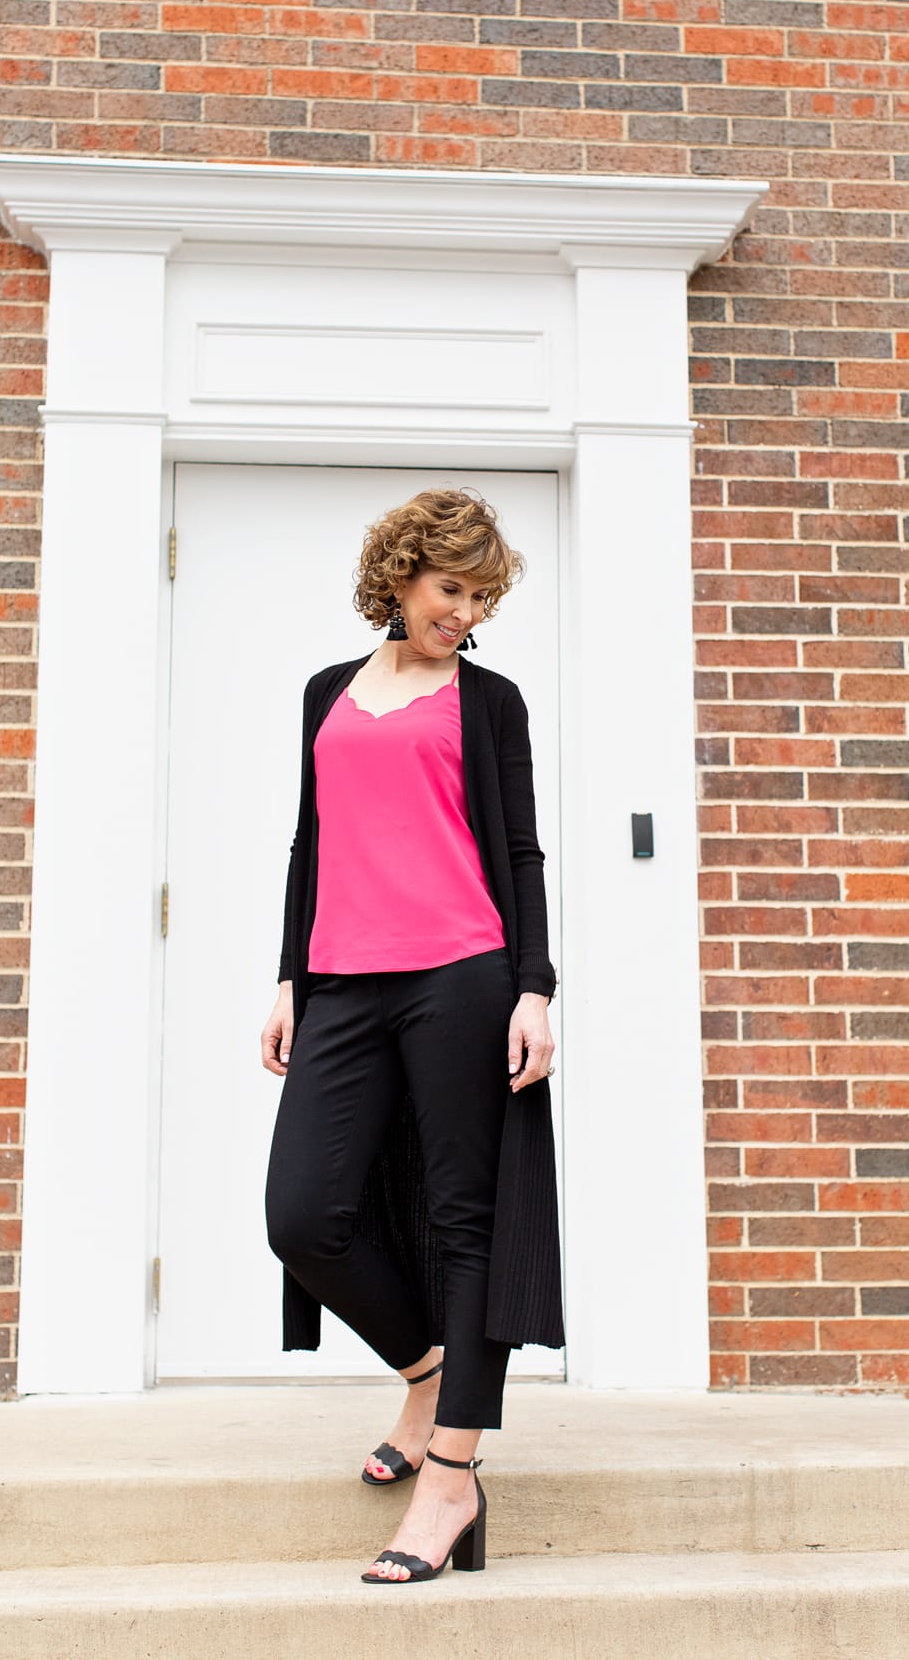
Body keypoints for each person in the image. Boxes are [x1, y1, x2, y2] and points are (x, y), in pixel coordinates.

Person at [261, 485, 564, 1586]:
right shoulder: (326, 694)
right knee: (304, 1215)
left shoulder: (490, 703)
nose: (466, 612)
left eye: (483, 595)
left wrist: (534, 987)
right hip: (343, 980)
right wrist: (291, 973)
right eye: (451, 588)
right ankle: (429, 1368)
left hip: (461, 976)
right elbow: (312, 843)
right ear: (401, 576)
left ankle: (451, 1476)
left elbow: (520, 853)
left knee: (463, 1215)